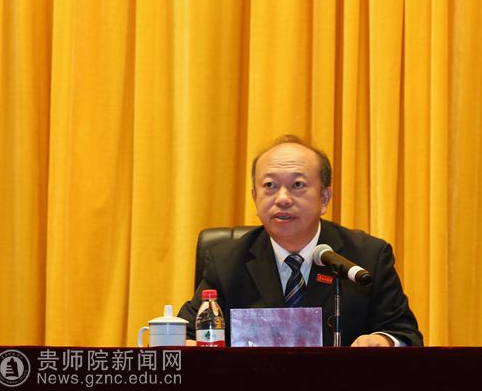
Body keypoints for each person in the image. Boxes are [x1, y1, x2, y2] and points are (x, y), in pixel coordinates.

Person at [178, 135, 423, 347]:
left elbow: (405, 333)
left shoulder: (367, 257)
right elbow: (189, 332)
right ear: (254, 198)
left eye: (297, 185)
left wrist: (383, 340)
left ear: (324, 198)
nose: (282, 198)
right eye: (270, 185)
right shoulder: (226, 262)